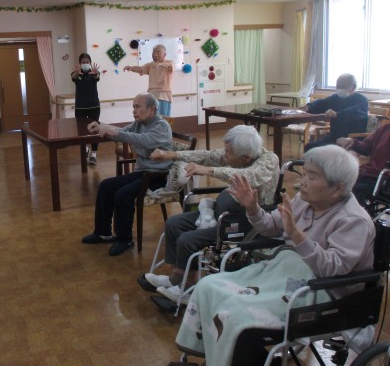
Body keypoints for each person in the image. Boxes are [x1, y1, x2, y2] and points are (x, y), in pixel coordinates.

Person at [170, 145, 375, 366]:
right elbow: (270, 226)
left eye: (312, 176)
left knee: (238, 314)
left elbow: (332, 269)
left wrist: (297, 236)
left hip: (321, 293)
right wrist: (252, 208)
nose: (303, 181)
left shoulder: (354, 221)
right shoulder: (304, 200)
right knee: (208, 286)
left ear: (337, 189)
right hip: (282, 273)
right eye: (304, 174)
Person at [141, 125, 279, 304]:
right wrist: (171, 155)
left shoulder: (269, 161)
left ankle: (187, 288)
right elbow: (208, 155)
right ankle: (177, 279)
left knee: (187, 240)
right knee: (174, 224)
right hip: (222, 214)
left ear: (246, 157)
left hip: (244, 222)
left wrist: (209, 170)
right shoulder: (240, 153)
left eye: (228, 153)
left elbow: (247, 175)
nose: (225, 155)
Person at [81, 93, 173, 256]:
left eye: (138, 107)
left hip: (158, 175)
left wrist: (110, 130)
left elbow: (142, 140)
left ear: (151, 109)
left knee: (123, 194)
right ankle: (103, 233)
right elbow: (122, 132)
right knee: (106, 186)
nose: (134, 111)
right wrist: (101, 126)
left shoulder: (161, 126)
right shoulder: (138, 123)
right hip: (143, 173)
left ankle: (125, 239)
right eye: (133, 107)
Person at [302, 73, 368, 151]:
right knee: (309, 147)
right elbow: (322, 103)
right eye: (338, 87)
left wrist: (337, 115)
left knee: (323, 151)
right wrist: (309, 107)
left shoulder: (362, 100)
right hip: (334, 138)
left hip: (351, 140)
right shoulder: (335, 98)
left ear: (353, 87)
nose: (339, 89)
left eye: (342, 87)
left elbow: (355, 112)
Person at [337, 121, 390, 208]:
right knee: (334, 181)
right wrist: (352, 142)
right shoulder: (386, 128)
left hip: (384, 180)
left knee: (345, 191)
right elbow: (366, 147)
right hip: (369, 173)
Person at [123, 44, 174, 116]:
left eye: (158, 52)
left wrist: (160, 64)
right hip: (151, 96)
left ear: (164, 54)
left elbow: (170, 66)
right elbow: (141, 69)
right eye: (154, 52)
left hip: (164, 96)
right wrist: (131, 68)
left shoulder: (170, 63)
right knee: (151, 118)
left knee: (164, 119)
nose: (155, 55)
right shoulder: (150, 65)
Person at [71, 53, 101, 165]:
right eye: (83, 62)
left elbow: (97, 77)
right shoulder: (75, 74)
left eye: (87, 62)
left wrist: (96, 73)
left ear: (90, 63)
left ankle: (94, 155)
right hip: (80, 107)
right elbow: (74, 77)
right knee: (82, 130)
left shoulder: (94, 73)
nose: (85, 64)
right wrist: (76, 72)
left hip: (94, 106)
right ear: (80, 63)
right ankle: (86, 148)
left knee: (94, 130)